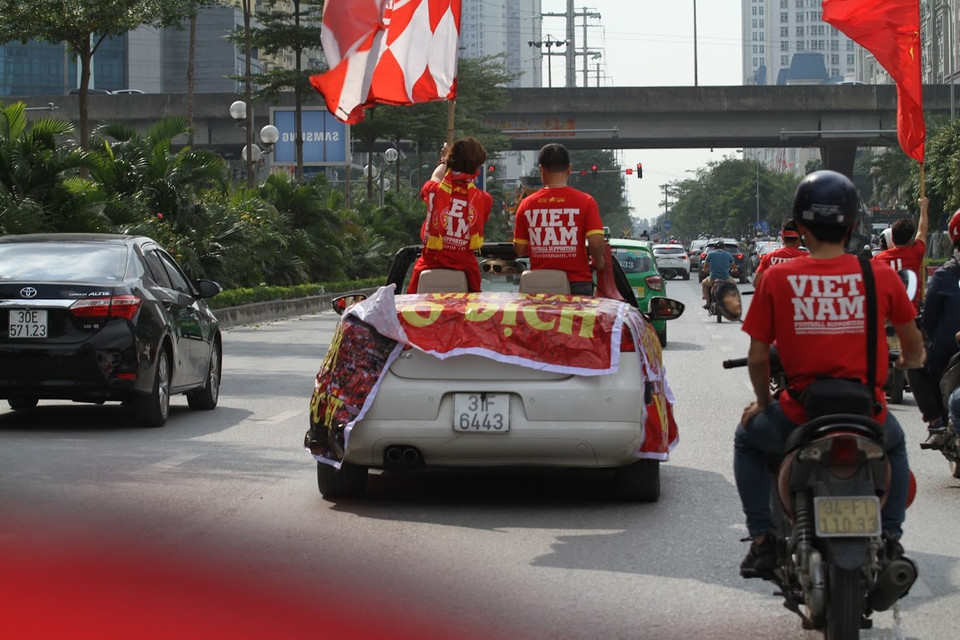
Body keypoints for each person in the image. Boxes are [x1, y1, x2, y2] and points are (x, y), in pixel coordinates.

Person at [734, 170, 925, 578]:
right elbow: (913, 347)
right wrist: (907, 364)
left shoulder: (775, 276)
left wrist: (763, 402)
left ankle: (764, 540)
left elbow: (756, 358)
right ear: (854, 225)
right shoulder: (882, 276)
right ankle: (891, 540)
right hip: (867, 412)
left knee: (748, 439)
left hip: (800, 413)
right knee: (895, 445)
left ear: (801, 227)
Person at [512, 143, 606, 295]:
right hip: (577, 283)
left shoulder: (526, 204)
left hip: (539, 286)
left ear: (541, 169)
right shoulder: (586, 202)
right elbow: (595, 243)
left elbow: (520, 249)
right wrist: (599, 262)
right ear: (569, 169)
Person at [406, 137, 493, 294]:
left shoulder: (434, 191)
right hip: (466, 271)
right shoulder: (483, 200)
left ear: (451, 163)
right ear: (477, 170)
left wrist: (444, 160)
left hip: (428, 265)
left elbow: (436, 178)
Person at [913, 209, 960, 448]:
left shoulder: (943, 276)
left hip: (948, 348)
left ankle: (935, 421)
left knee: (914, 360)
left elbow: (929, 320)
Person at [873, 197, 929, 311]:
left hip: (887, 314)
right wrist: (923, 208)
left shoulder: (878, 259)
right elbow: (922, 232)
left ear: (892, 238)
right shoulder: (915, 253)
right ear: (909, 241)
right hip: (911, 314)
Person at [751, 219, 806, 289]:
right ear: (799, 239)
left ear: (782, 237)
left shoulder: (768, 258)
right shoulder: (809, 259)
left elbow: (756, 283)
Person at [700, 240, 736, 308]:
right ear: (724, 248)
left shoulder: (710, 254)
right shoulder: (728, 254)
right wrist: (734, 270)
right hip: (726, 278)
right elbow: (733, 266)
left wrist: (704, 270)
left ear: (715, 248)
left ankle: (707, 301)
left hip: (713, 278)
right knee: (734, 284)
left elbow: (706, 265)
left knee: (704, 283)